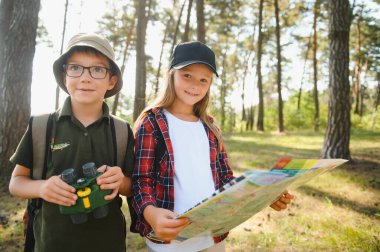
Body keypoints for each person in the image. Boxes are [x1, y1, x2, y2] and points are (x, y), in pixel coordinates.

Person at [131, 41, 294, 252]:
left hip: (212, 237)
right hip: (169, 242)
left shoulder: (210, 126)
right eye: (187, 75)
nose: (194, 85)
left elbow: (226, 179)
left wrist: (265, 195)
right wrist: (150, 213)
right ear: (171, 74)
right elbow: (141, 180)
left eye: (203, 80)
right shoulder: (151, 122)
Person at [9, 33, 134, 252]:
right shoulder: (41, 126)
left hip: (108, 244)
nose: (85, 78)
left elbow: (132, 186)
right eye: (75, 68)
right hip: (52, 244)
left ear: (111, 80)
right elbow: (16, 182)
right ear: (64, 76)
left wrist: (120, 182)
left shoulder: (121, 130)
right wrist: (43, 187)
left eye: (97, 70)